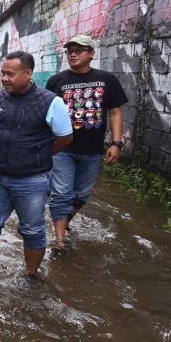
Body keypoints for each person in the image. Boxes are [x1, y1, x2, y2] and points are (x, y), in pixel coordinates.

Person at [0, 51, 73, 281]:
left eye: (11, 74)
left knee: (32, 230)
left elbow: (65, 137)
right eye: (3, 73)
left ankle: (30, 275)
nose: (5, 78)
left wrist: (38, 155)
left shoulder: (52, 102)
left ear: (28, 73)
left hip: (32, 180)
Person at [45, 35, 127, 253]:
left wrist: (116, 143)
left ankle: (63, 221)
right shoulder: (56, 81)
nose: (72, 54)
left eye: (79, 50)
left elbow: (116, 111)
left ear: (91, 53)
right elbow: (47, 114)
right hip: (62, 148)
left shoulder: (106, 79)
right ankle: (60, 241)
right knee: (62, 193)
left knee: (81, 194)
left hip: (92, 150)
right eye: (69, 50)